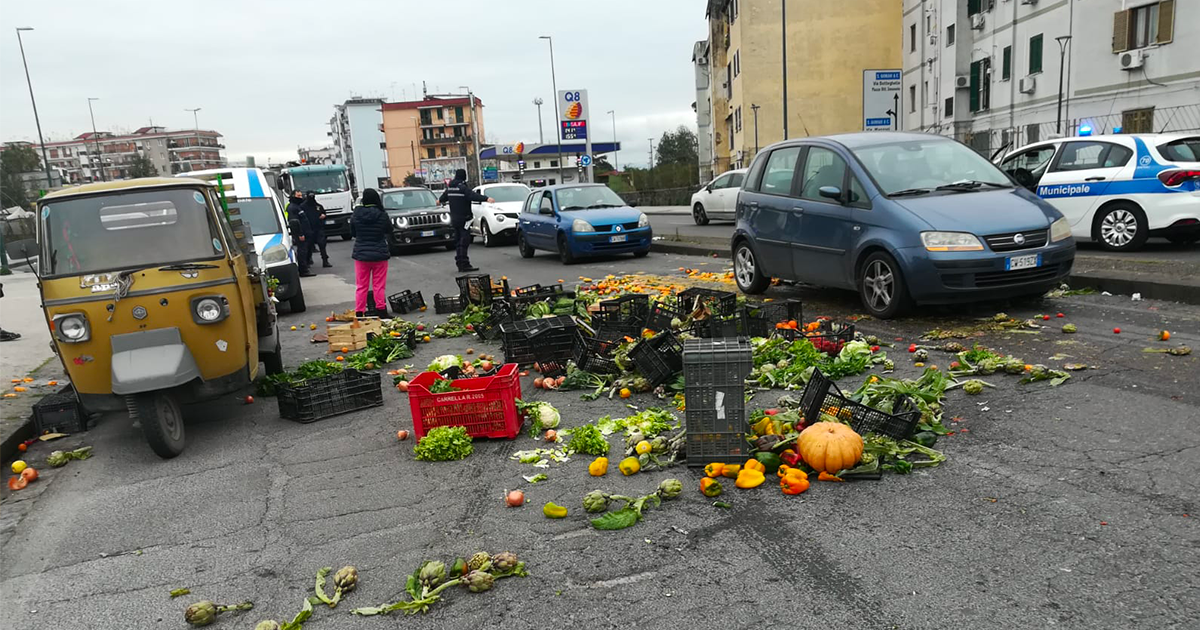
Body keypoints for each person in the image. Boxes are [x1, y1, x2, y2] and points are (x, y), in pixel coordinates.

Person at [438, 169, 493, 272]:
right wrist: (486, 199)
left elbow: (443, 198)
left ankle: (459, 262)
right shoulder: (462, 188)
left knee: (458, 241)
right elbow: (473, 196)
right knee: (464, 241)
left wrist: (439, 200)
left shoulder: (450, 188)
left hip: (455, 219)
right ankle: (464, 264)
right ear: (463, 176)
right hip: (464, 219)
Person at [350, 188, 390, 317]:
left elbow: (353, 233)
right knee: (379, 285)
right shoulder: (382, 214)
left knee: (361, 285)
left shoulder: (356, 214)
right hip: (379, 253)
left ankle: (359, 312)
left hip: (361, 254)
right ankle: (381, 310)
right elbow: (389, 229)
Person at [286, 191, 315, 277]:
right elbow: (294, 222)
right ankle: (303, 270)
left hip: (306, 233)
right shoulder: (292, 208)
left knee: (306, 250)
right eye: (298, 196)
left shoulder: (298, 206)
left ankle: (306, 266)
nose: (300, 197)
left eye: (301, 195)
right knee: (302, 251)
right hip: (300, 234)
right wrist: (300, 234)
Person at [301, 192, 331, 268]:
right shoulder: (303, 207)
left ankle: (325, 261)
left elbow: (324, 213)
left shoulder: (318, 206)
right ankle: (308, 261)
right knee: (309, 246)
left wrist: (323, 216)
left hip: (318, 229)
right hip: (308, 229)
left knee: (322, 244)